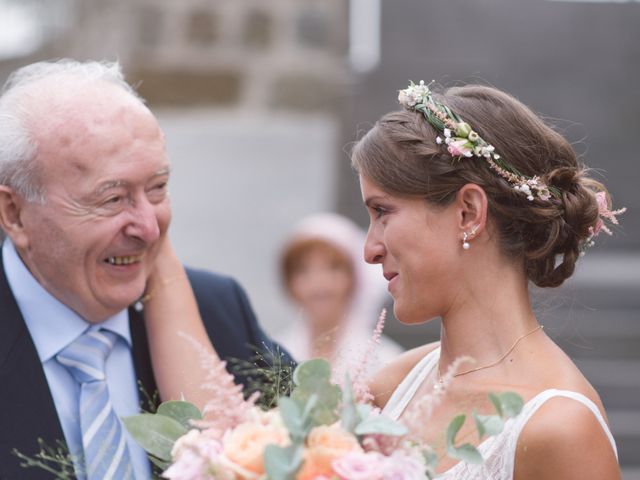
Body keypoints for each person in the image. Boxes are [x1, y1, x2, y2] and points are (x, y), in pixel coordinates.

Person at [0, 59, 289, 480]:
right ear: (14, 213)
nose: (149, 228)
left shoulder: (218, 311)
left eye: (157, 189)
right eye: (112, 199)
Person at [355, 81, 622, 478]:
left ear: (468, 212)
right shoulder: (391, 386)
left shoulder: (560, 429)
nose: (370, 249)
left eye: (383, 212)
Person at [277, 213, 403, 377]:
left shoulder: (387, 360)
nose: (319, 283)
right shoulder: (273, 357)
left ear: (354, 278)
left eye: (333, 268)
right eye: (303, 270)